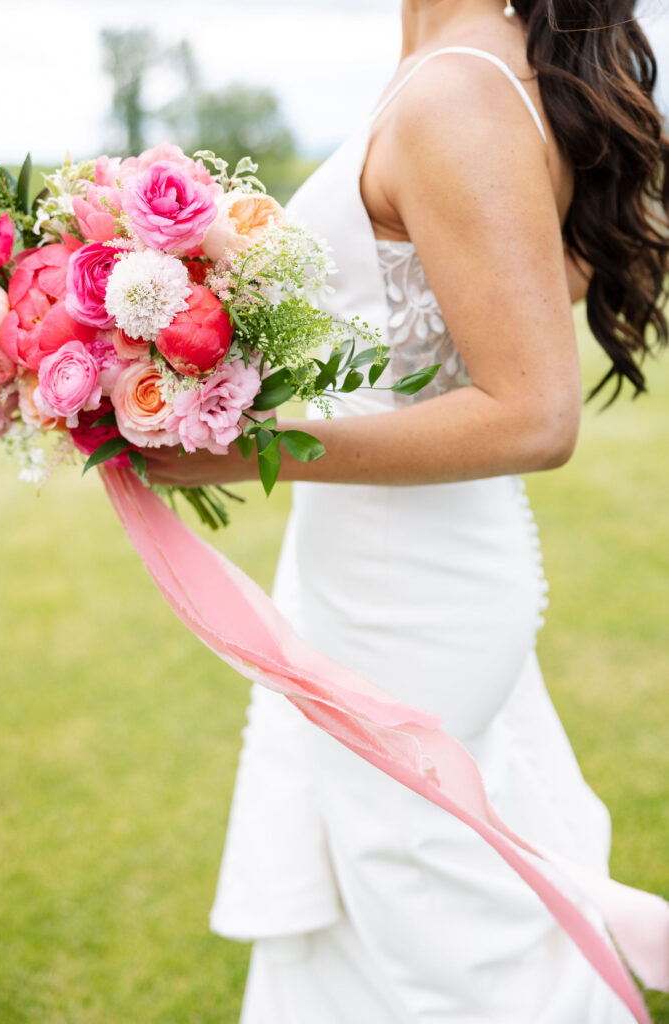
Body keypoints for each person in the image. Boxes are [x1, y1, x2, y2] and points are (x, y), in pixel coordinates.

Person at [145, 0, 669, 1019]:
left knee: (434, 919)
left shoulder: (460, 91)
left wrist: (249, 453)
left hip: (411, 588)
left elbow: (533, 414)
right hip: (377, 561)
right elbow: (417, 339)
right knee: (384, 889)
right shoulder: (456, 64)